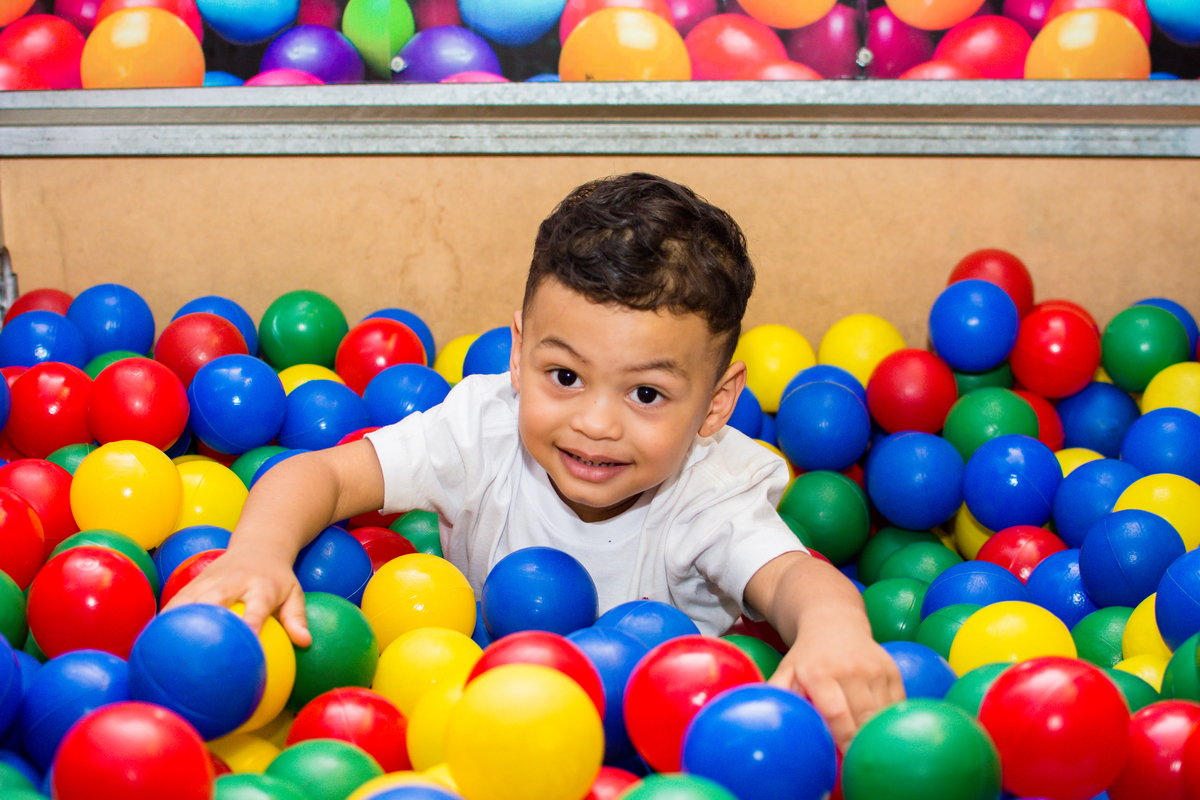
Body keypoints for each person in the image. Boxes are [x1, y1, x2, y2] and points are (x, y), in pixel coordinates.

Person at [168, 172, 903, 750]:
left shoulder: (707, 490)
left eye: (646, 392)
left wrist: (836, 634)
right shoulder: (482, 429)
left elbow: (797, 579)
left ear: (715, 403)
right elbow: (323, 473)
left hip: (662, 744)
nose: (595, 423)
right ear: (518, 353)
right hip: (468, 712)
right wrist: (257, 553)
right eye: (564, 376)